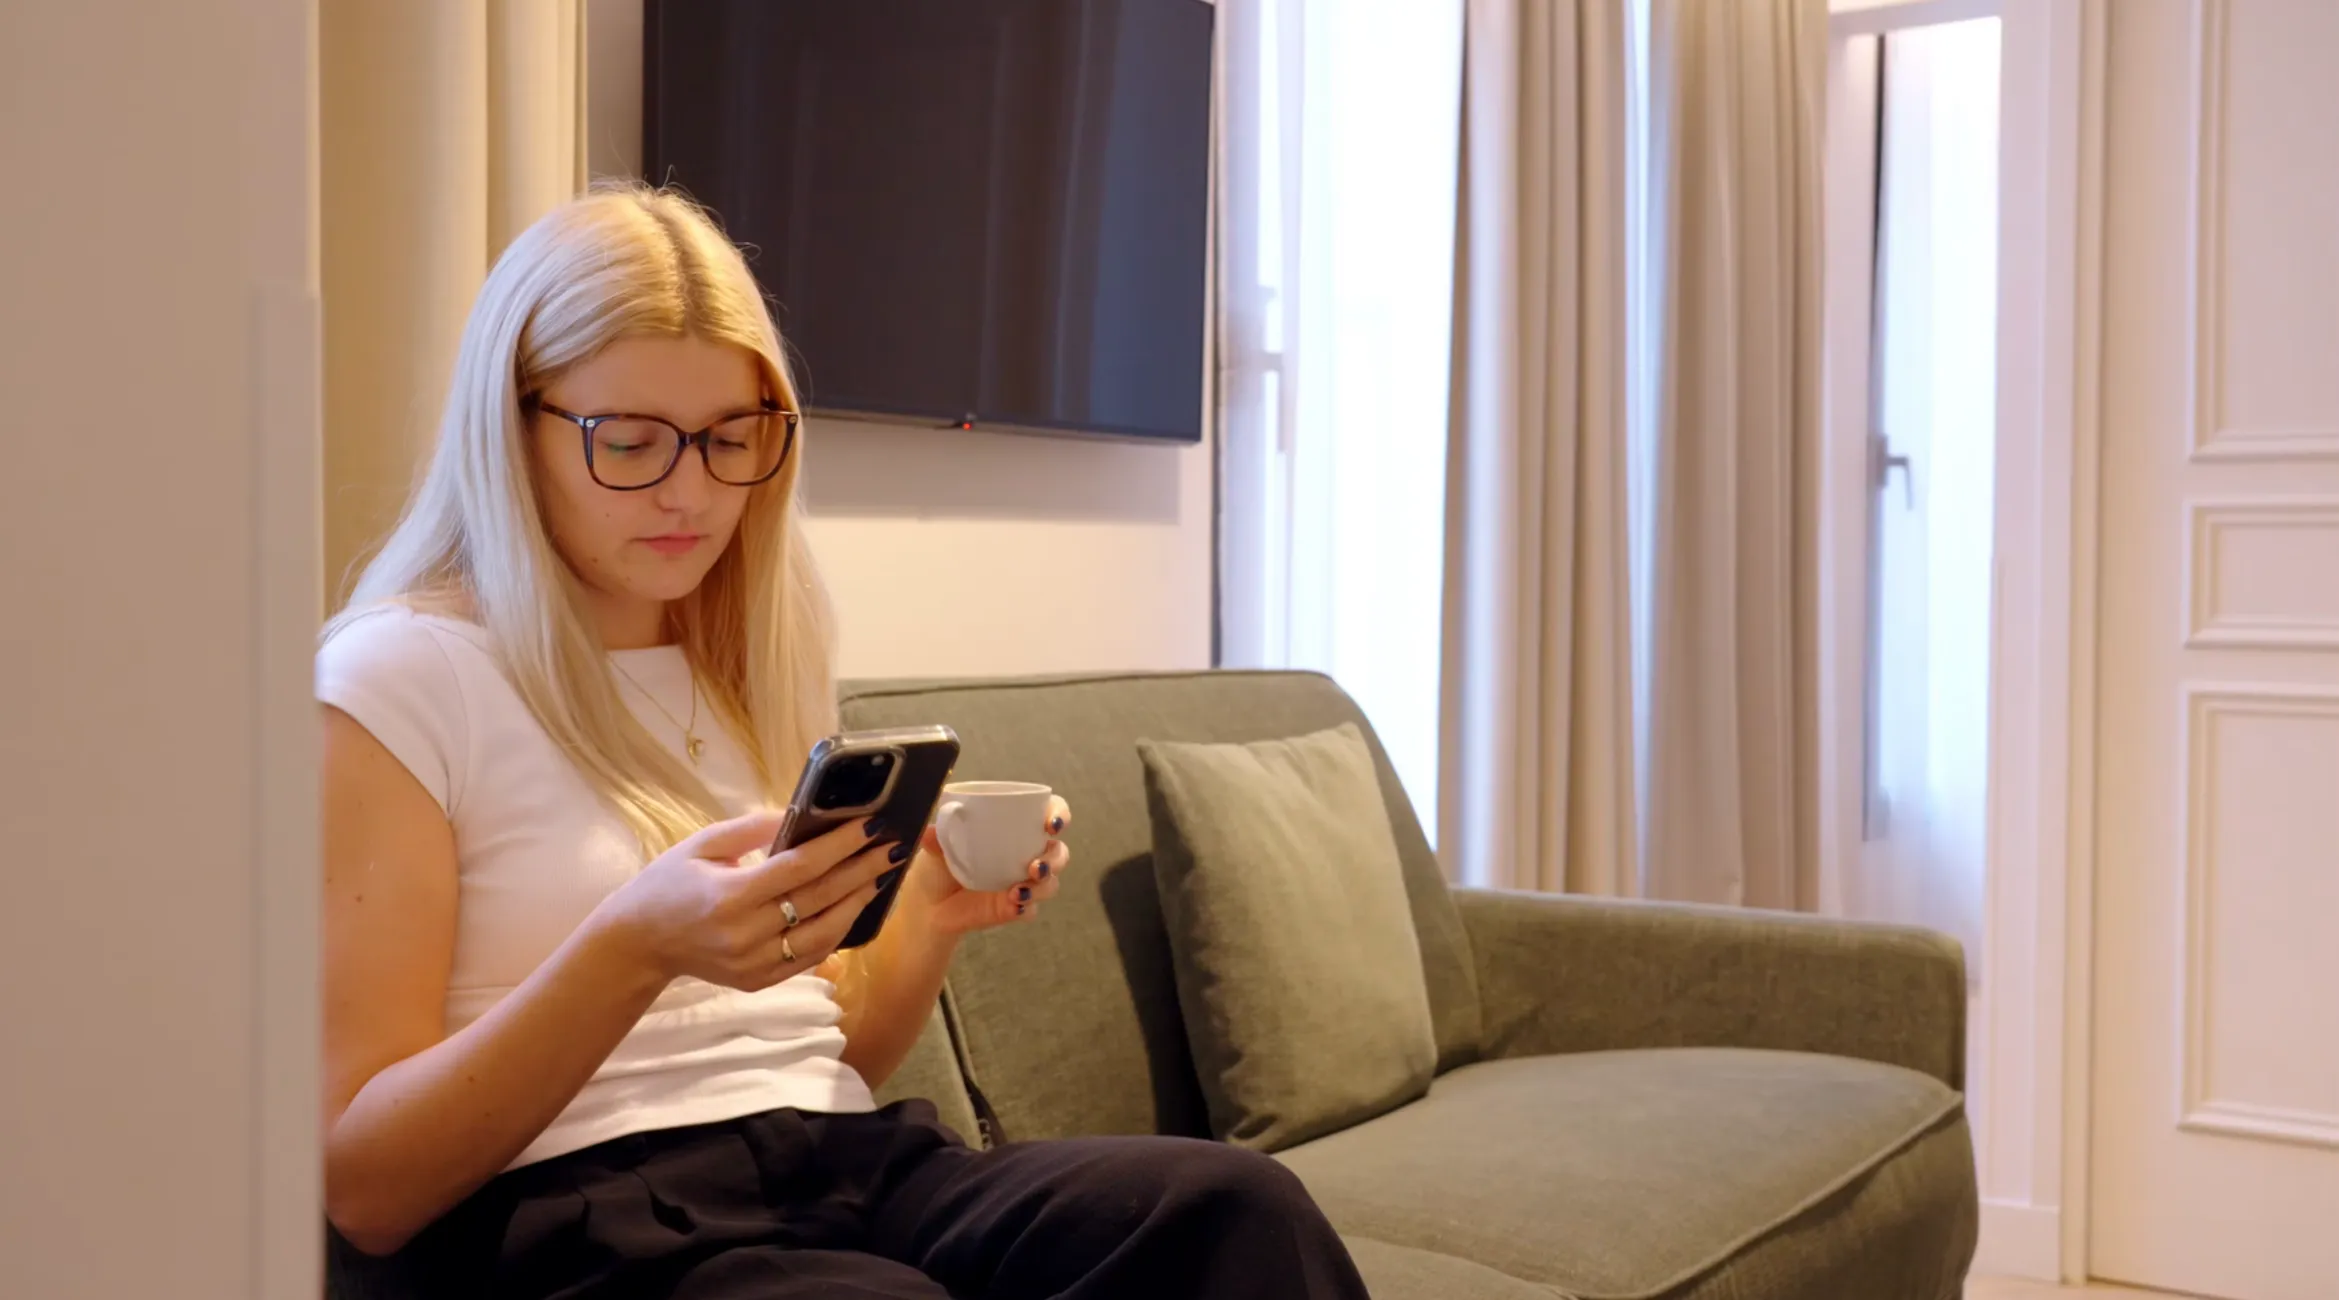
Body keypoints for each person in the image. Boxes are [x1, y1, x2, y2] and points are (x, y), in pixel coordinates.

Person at [318, 185, 1372, 1300]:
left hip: (835, 1163)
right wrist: (632, 946)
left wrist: (926, 911)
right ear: (509, 429)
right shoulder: (397, 679)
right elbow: (366, 1186)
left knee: (1231, 1210)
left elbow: (828, 1058)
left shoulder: (744, 663)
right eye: (628, 443)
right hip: (568, 1215)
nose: (692, 492)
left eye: (732, 439)